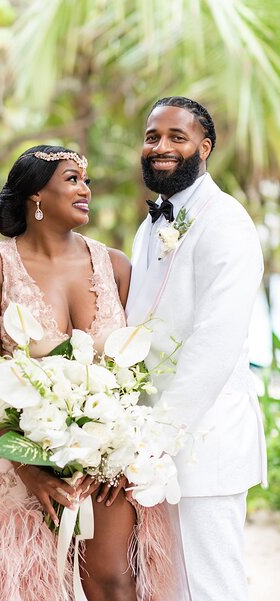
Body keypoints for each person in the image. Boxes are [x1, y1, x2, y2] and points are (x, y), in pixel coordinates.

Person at [0, 145, 179, 601]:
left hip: (103, 451)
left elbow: (137, 365)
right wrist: (30, 470)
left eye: (86, 180)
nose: (85, 189)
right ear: (35, 195)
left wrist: (123, 443)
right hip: (11, 446)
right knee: (19, 584)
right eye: (72, 179)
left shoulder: (116, 265)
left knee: (114, 579)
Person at [126, 96, 267, 600]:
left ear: (204, 148)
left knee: (212, 585)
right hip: (146, 443)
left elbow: (216, 342)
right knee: (164, 585)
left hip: (204, 440)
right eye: (152, 137)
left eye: (176, 137)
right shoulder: (149, 227)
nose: (160, 147)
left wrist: (157, 438)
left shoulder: (226, 221)